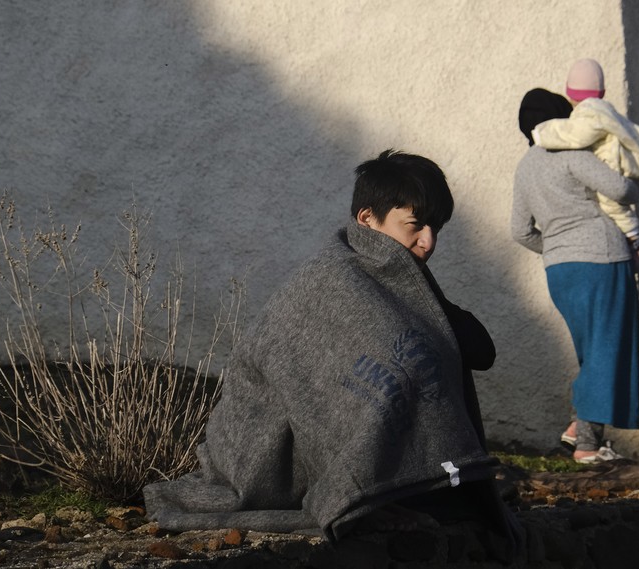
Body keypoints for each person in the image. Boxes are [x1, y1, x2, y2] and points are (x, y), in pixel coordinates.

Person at [144, 150, 522, 558]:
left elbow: (480, 351)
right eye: (414, 225)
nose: (428, 242)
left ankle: (368, 491)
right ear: (367, 220)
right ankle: (354, 496)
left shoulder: (395, 280)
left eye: (436, 229)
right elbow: (322, 398)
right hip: (262, 457)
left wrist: (430, 297)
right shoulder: (334, 280)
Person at [512, 88, 639, 464]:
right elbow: (618, 188)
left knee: (592, 350)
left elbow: (519, 231)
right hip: (601, 258)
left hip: (559, 269)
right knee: (607, 349)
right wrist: (635, 183)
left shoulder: (526, 166)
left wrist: (556, 247)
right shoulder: (569, 152)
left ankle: (579, 427)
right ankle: (587, 445)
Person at [530, 58, 639, 261]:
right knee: (616, 203)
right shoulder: (606, 111)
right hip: (621, 164)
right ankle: (634, 239)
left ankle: (635, 239)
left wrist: (543, 132)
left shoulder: (589, 114)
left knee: (611, 203)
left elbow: (574, 135)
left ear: (570, 95)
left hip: (611, 163)